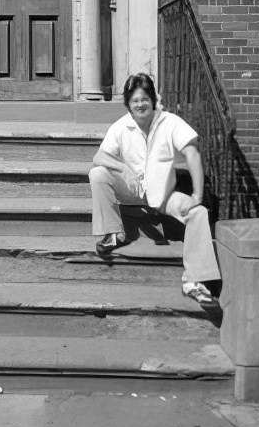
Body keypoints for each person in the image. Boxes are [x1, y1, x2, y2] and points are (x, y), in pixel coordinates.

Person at [88, 72, 221, 305]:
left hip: (163, 195)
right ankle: (112, 233)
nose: (140, 105)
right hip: (131, 191)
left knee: (198, 213)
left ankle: (194, 281)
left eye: (144, 99)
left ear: (153, 99)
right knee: (98, 174)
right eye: (135, 101)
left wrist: (197, 195)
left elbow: (192, 153)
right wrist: (125, 169)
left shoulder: (170, 122)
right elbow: (99, 157)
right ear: (128, 104)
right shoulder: (122, 127)